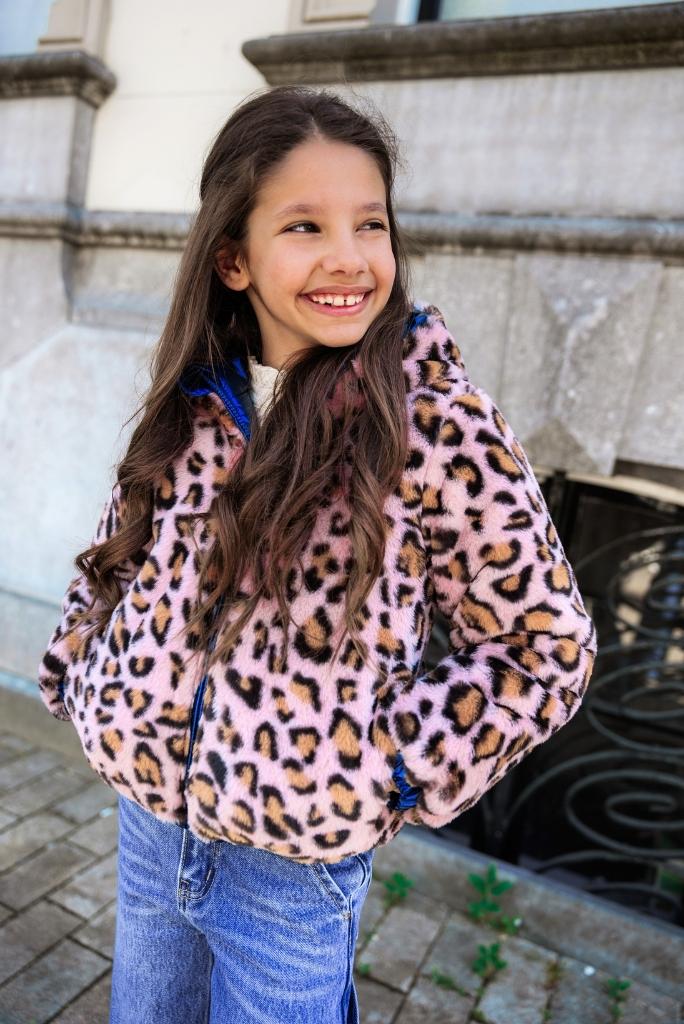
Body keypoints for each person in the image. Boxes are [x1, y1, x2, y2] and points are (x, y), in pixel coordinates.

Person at [36, 85, 597, 1024]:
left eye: (370, 223)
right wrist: (84, 673)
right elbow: (115, 555)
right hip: (149, 828)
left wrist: (383, 767)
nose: (349, 257)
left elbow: (545, 647)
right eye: (304, 225)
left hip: (292, 877)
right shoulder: (194, 399)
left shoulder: (430, 421)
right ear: (233, 258)